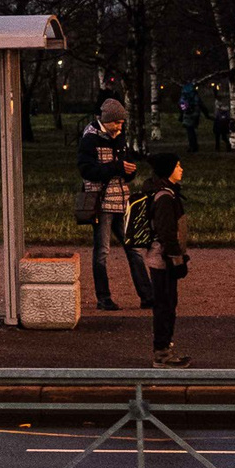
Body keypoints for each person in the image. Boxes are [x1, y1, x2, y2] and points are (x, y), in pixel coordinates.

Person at [76, 97, 152, 312]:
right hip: (102, 202)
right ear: (106, 120)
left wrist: (130, 171)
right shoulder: (89, 139)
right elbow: (87, 171)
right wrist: (117, 167)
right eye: (116, 123)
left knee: (134, 249)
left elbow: (125, 168)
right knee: (102, 252)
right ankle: (104, 298)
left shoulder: (120, 138)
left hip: (121, 199)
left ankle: (148, 296)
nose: (120, 127)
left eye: (122, 123)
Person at [139, 148, 192, 366]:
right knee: (165, 305)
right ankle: (162, 353)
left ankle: (165, 347)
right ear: (169, 170)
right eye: (178, 165)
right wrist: (177, 260)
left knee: (168, 303)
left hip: (162, 257)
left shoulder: (164, 192)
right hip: (163, 259)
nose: (181, 169)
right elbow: (167, 232)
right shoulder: (164, 197)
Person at [178, 81, 201, 153]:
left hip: (188, 113)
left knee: (190, 131)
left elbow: (182, 103)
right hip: (194, 113)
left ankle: (192, 146)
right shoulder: (194, 94)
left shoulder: (185, 94)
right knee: (192, 131)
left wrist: (185, 109)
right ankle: (194, 146)